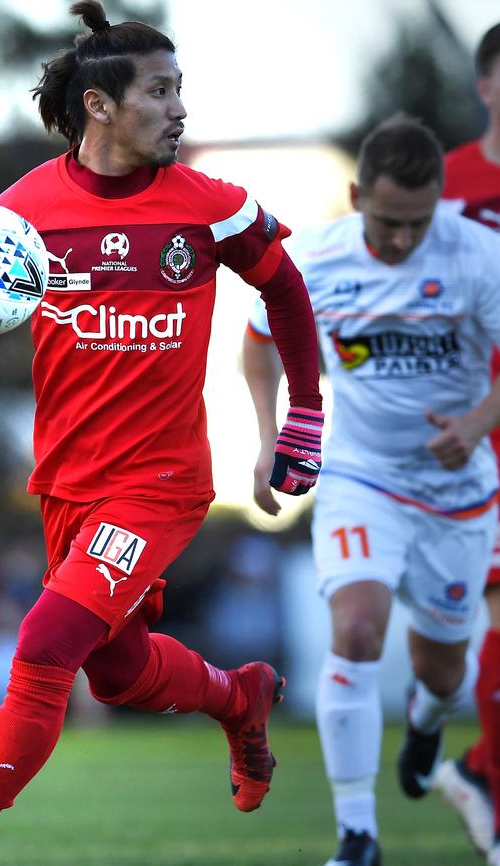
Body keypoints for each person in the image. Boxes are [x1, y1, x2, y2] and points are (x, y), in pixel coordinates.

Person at [0, 3, 324, 865]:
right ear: (101, 106)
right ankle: (240, 698)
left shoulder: (214, 208)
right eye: (160, 92)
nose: (180, 109)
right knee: (113, 674)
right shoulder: (22, 213)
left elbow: (288, 294)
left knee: (44, 645)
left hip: (161, 484)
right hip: (67, 487)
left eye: (180, 89)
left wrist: (303, 414)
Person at [242, 115, 500, 866]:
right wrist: (270, 439)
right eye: (386, 222)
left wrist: (479, 421)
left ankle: (427, 719)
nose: (399, 240)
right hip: (360, 476)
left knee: (446, 672)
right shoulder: (311, 259)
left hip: (457, 491)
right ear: (356, 196)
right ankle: (358, 835)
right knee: (354, 632)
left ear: (441, 204)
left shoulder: (479, 255)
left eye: (417, 224)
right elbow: (255, 350)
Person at [430, 23, 500, 866]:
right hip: (469, 434)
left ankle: (479, 769)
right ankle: (485, 778)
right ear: (486, 85)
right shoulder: (444, 184)